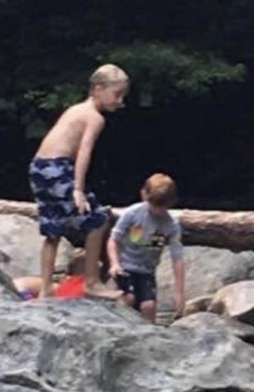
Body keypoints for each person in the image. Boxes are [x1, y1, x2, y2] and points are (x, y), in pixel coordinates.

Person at [28, 64, 129, 299]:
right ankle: (91, 282)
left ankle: (45, 290)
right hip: (57, 168)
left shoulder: (75, 110)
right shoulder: (95, 118)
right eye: (117, 94)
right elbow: (84, 152)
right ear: (98, 89)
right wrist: (78, 189)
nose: (120, 101)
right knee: (98, 219)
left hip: (39, 167)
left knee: (53, 229)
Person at [107, 173, 185, 323]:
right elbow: (113, 239)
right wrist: (114, 263)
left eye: (162, 207)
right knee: (129, 299)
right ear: (144, 195)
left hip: (146, 272)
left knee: (148, 306)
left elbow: (177, 258)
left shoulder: (171, 225)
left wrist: (179, 293)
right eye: (153, 205)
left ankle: (149, 332)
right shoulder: (132, 213)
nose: (157, 211)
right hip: (125, 268)